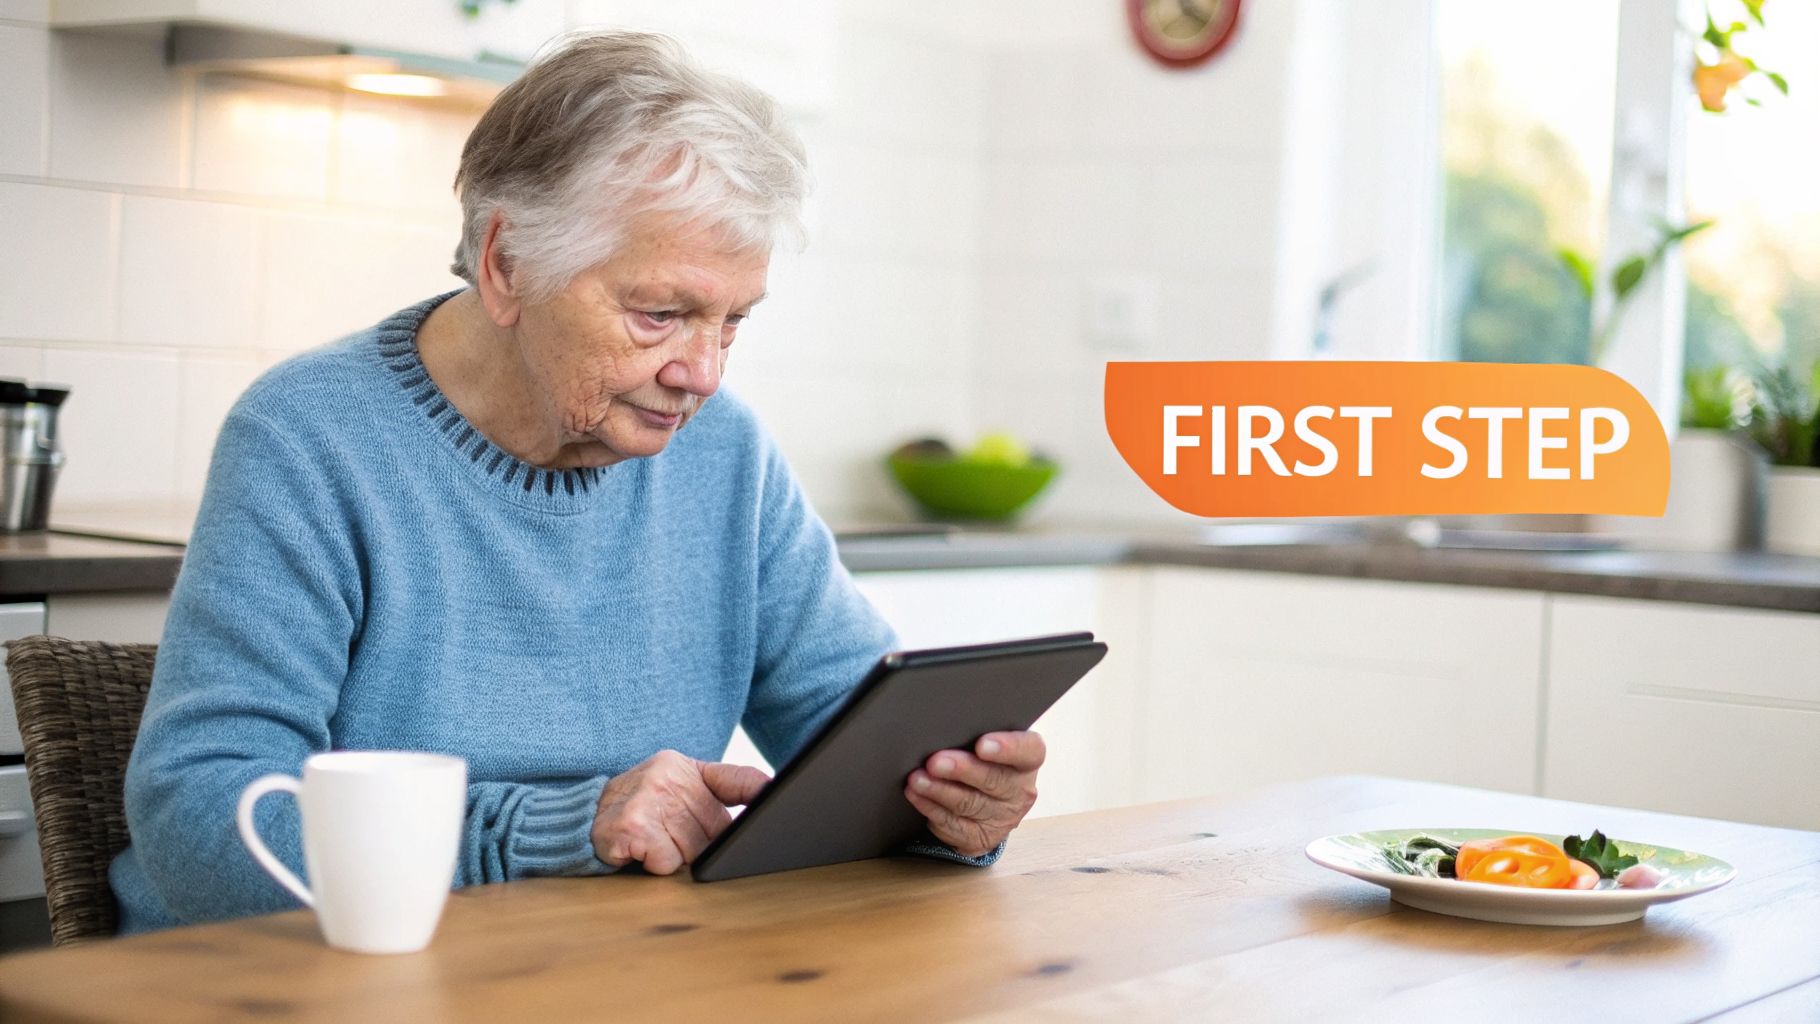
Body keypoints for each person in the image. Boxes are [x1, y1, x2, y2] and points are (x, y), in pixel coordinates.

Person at [109, 30, 1047, 932]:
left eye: (731, 321)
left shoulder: (724, 453)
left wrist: (949, 804)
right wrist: (549, 830)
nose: (704, 373)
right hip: (308, 982)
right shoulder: (310, 438)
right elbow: (202, 819)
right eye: (660, 313)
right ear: (507, 265)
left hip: (600, 971)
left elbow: (861, 741)